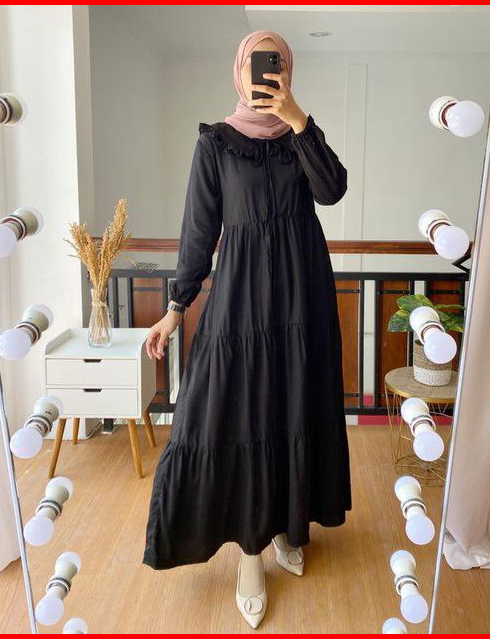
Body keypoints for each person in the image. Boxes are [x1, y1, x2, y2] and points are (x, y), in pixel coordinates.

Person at [142, 29, 351, 629]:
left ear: (287, 72)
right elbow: (198, 229)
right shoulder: (216, 142)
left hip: (303, 300)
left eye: (276, 65)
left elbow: (332, 190)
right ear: (239, 73)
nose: (265, 76)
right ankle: (251, 554)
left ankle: (288, 527)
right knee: (242, 415)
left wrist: (297, 118)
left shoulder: (301, 136)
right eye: (257, 66)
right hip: (241, 304)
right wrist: (176, 306)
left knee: (294, 409)